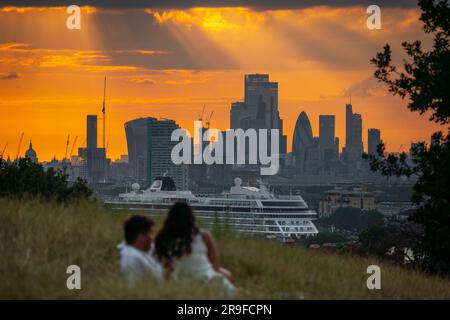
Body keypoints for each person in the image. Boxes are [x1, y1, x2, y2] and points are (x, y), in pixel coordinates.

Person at [154, 201, 235, 295]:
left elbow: (164, 266)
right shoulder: (203, 235)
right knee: (227, 275)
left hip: (179, 280)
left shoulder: (163, 238)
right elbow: (216, 266)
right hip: (207, 278)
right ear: (191, 217)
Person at [118, 215, 164, 284]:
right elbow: (134, 288)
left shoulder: (143, 249)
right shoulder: (132, 258)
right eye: (151, 233)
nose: (153, 237)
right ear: (141, 237)